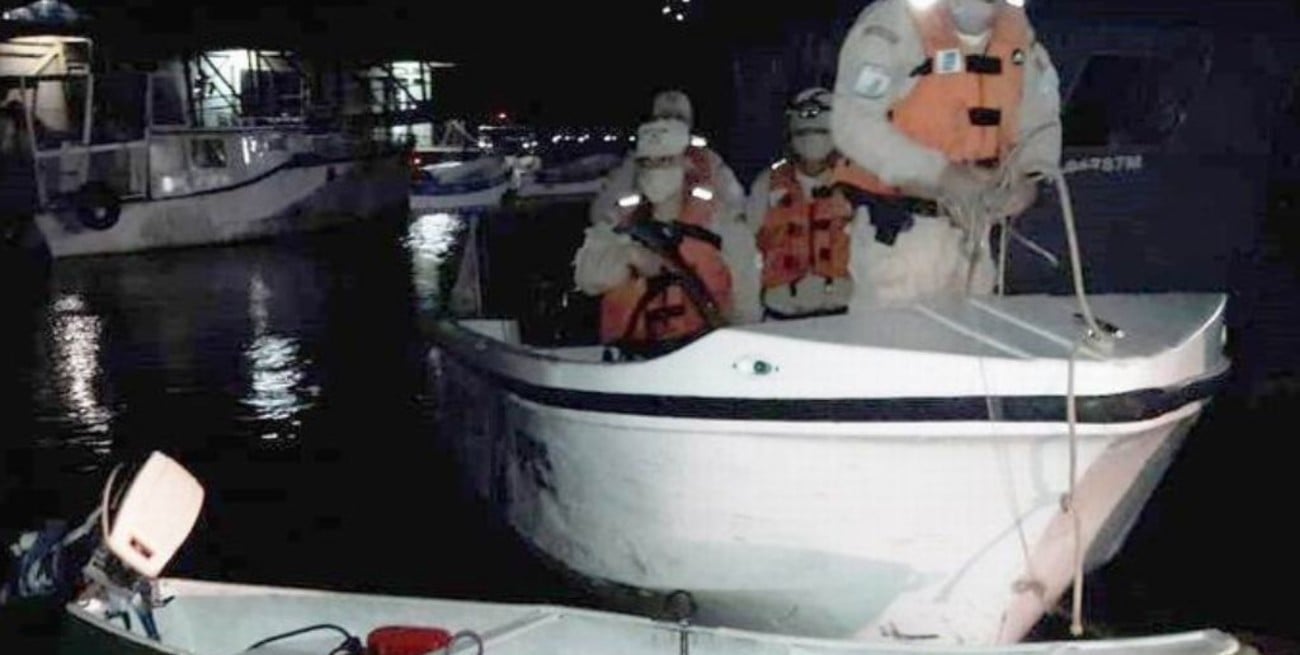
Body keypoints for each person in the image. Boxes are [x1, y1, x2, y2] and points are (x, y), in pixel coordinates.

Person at [830, 0, 1062, 306]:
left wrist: (1029, 178)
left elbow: (1041, 120)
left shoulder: (1017, 31)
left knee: (975, 332)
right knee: (895, 337)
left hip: (976, 236)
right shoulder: (893, 23)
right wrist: (940, 174)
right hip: (903, 238)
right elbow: (852, 122)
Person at [573, 119, 757, 356]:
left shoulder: (721, 222)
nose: (655, 170)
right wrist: (629, 255)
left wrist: (741, 347)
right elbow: (587, 279)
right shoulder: (619, 220)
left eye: (665, 161)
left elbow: (746, 294)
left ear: (685, 163)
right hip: (633, 357)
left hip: (704, 352)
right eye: (647, 162)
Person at [746, 88, 856, 319]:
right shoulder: (767, 184)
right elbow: (746, 250)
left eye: (820, 132)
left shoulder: (855, 186)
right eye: (803, 133)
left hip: (841, 315)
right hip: (780, 313)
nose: (811, 140)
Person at [589, 90, 745, 227]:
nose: (672, 122)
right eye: (665, 117)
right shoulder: (636, 162)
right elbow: (602, 212)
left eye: (679, 118)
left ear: (689, 122)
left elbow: (736, 206)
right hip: (646, 240)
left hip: (698, 238)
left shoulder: (708, 161)